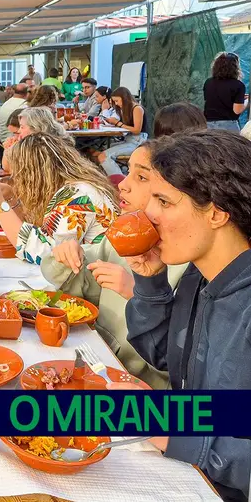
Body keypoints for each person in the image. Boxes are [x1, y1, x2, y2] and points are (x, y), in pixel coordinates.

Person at [124, 131, 251, 502]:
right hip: (184, 472)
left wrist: (169, 427)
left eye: (163, 200)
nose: (148, 213)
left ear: (216, 212)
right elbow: (165, 357)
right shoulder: (199, 274)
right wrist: (149, 282)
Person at [41, 144, 181, 390]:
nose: (122, 184)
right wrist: (65, 255)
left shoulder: (187, 261)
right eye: (127, 172)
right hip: (99, 361)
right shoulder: (125, 232)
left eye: (141, 177)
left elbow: (175, 361)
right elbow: (78, 289)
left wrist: (137, 293)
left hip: (139, 387)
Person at [0, 133, 119, 265]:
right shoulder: (72, 187)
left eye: (19, 175)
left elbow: (44, 254)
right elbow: (34, 230)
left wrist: (0, 205)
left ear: (33, 174)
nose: (16, 180)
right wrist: (11, 198)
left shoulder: (77, 196)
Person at [98, 87, 148, 176]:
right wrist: (111, 124)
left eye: (117, 101)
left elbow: (137, 130)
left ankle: (118, 181)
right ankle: (117, 175)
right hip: (127, 140)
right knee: (97, 150)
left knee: (103, 156)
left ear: (124, 98)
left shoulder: (137, 108)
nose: (116, 104)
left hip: (137, 142)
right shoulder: (124, 109)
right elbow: (126, 127)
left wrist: (118, 123)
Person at [203, 52, 248, 131]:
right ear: (235, 68)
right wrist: (248, 101)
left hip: (208, 126)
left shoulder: (208, 82)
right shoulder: (238, 85)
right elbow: (237, 110)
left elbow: (215, 99)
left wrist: (238, 98)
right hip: (228, 127)